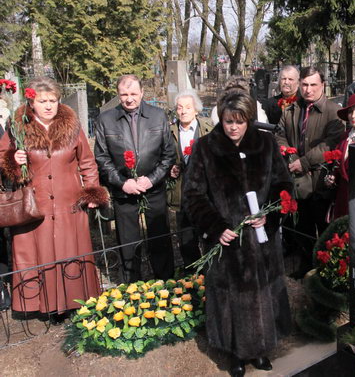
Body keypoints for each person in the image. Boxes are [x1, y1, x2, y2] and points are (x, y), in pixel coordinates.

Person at [184, 92, 292, 377]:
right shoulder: (206, 148)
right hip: (228, 240)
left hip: (262, 239)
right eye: (228, 121)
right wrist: (215, 227)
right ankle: (235, 353)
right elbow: (193, 195)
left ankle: (261, 348)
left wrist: (271, 215)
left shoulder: (266, 144)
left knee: (263, 294)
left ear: (249, 120)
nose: (233, 127)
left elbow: (283, 185)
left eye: (239, 121)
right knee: (231, 299)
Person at [0, 77, 109, 321]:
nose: (49, 106)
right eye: (43, 101)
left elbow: (87, 162)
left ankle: (74, 301)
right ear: (32, 103)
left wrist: (92, 191)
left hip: (68, 203)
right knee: (39, 252)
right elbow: (2, 156)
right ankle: (44, 305)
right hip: (34, 205)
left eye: (53, 100)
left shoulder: (71, 126)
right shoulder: (18, 126)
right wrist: (12, 160)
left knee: (69, 250)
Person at [94, 74, 176, 282]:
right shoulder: (106, 120)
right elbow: (102, 157)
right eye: (124, 94)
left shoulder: (158, 116)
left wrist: (152, 179)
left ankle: (165, 283)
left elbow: (168, 154)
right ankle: (132, 285)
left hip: (153, 188)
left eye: (133, 93)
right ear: (118, 94)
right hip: (125, 190)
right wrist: (122, 183)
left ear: (142, 93)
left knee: (159, 238)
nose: (129, 99)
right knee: (128, 243)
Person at [275, 66, 344, 277]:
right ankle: (306, 268)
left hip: (322, 182)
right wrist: (292, 157)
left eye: (313, 84)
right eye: (304, 85)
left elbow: (331, 143)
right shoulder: (291, 110)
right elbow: (279, 135)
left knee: (324, 231)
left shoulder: (334, 111)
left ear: (323, 85)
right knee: (302, 228)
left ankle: (326, 273)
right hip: (298, 181)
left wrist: (304, 162)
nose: (308, 89)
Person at [167, 89, 214, 270]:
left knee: (208, 233)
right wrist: (171, 168)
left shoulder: (209, 129)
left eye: (188, 107)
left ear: (196, 110)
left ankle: (211, 271)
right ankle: (192, 274)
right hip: (182, 191)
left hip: (205, 192)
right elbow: (164, 156)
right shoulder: (169, 131)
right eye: (180, 107)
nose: (183, 111)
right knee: (186, 236)